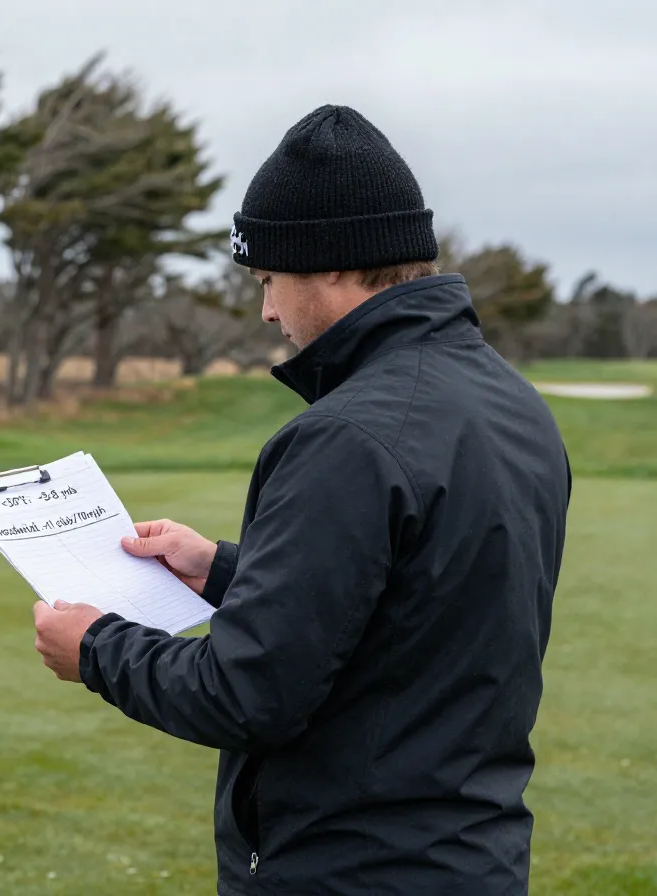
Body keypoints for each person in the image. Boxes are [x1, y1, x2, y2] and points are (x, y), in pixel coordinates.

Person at [33, 104, 571, 895]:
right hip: (469, 860)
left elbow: (246, 694)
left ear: (329, 264)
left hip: (348, 869)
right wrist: (220, 569)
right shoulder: (512, 402)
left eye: (268, 280)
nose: (268, 311)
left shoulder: (347, 436)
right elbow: (415, 596)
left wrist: (96, 649)